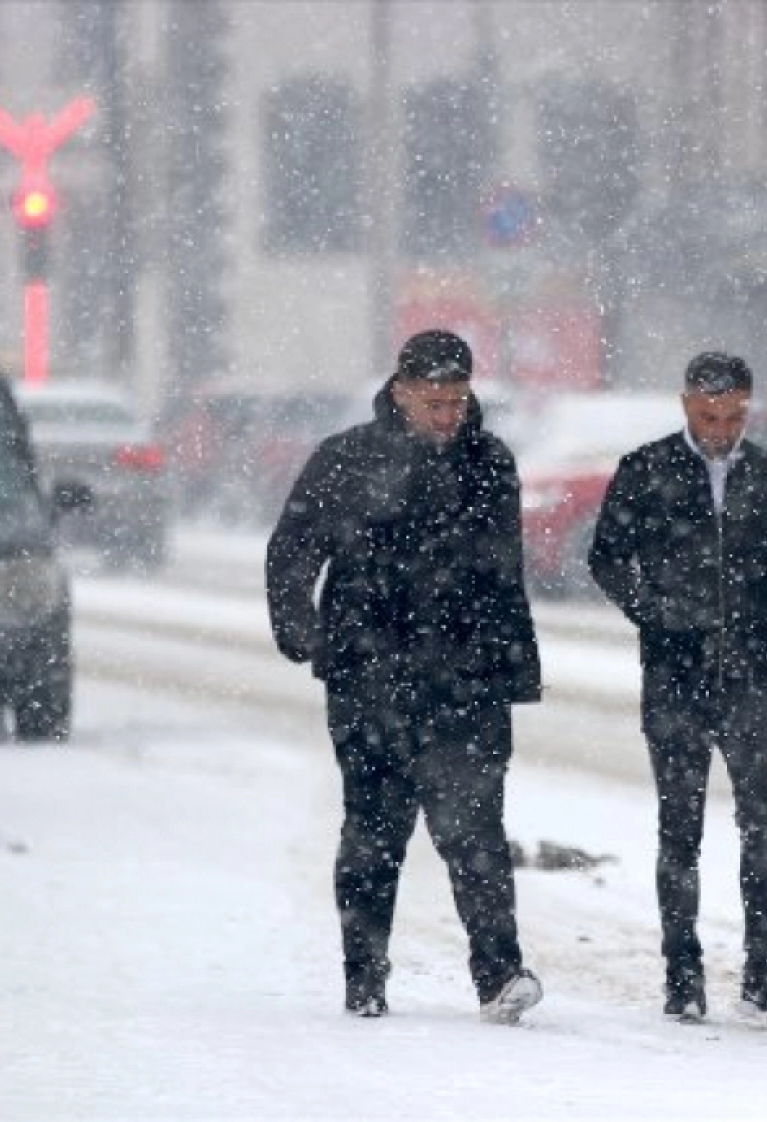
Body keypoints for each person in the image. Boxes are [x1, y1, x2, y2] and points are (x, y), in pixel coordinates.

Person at [265, 329, 544, 1025]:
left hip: (466, 679)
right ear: (401, 391)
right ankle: (364, 980)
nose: (448, 415)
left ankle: (499, 977)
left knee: (475, 829)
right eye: (435, 401)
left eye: (457, 401)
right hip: (371, 678)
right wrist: (303, 631)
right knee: (374, 831)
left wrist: (512, 665)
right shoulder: (347, 460)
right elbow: (292, 550)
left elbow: (503, 575)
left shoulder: (489, 463)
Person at [588, 351, 767, 1025]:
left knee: (763, 826)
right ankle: (681, 974)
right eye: (710, 415)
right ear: (686, 404)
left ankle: (763, 971)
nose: (722, 428)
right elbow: (606, 557)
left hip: (748, 674)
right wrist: (655, 612)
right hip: (674, 674)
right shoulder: (646, 470)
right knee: (679, 829)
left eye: (735, 415)